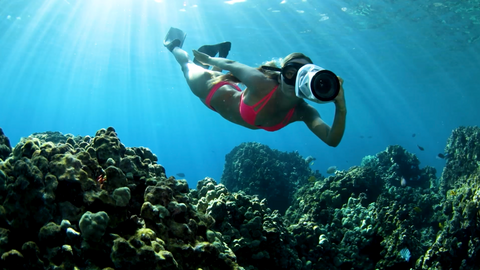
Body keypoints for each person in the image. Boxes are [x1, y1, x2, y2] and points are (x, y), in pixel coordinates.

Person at [164, 27, 347, 147]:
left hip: (231, 94)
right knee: (186, 64)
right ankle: (173, 45)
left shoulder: (304, 112)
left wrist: (340, 106)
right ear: (281, 74)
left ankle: (213, 57)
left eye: (303, 75)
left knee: (211, 70)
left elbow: (332, 139)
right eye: (291, 72)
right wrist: (210, 60)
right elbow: (232, 64)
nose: (295, 80)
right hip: (209, 89)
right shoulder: (262, 82)